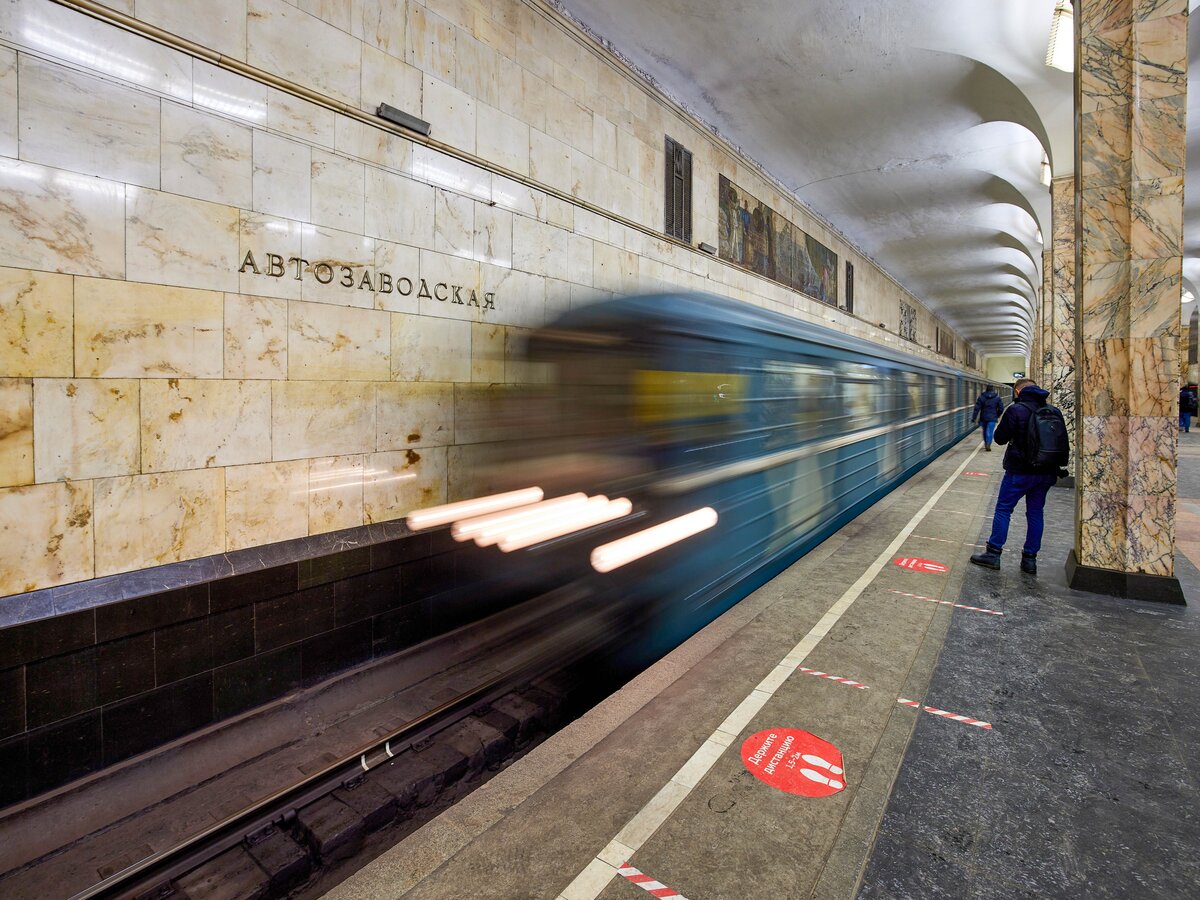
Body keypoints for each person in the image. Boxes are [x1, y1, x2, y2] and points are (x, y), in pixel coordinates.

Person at [969, 378, 1066, 576]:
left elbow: (1000, 438)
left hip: (1019, 472)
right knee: (1036, 513)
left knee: (1004, 509)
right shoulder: (1053, 411)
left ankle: (993, 554)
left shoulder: (1016, 410)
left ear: (1018, 392)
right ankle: (1030, 560)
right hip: (1046, 472)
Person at [971, 384, 1005, 451]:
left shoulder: (981, 397)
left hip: (983, 417)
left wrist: (974, 417)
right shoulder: (997, 398)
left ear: (986, 389)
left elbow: (977, 408)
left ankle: (986, 442)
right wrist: (997, 415)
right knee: (990, 431)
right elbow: (1001, 408)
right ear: (993, 390)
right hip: (992, 418)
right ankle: (988, 444)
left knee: (985, 431)